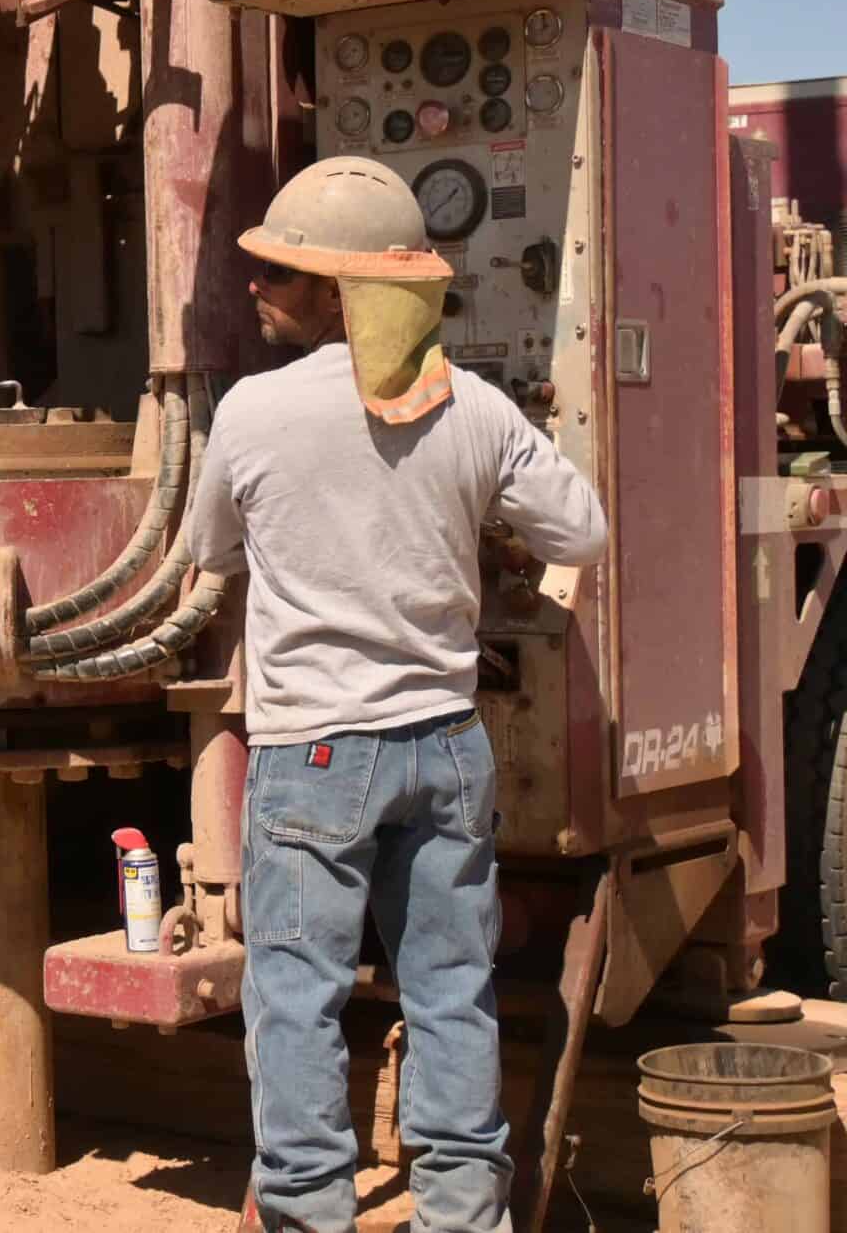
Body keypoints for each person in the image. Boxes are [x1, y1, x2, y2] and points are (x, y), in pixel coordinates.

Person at [187, 157, 608, 1233]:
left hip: (315, 756)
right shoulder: (469, 404)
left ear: (342, 290)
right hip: (445, 746)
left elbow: (208, 550)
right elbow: (582, 532)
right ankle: (465, 1214)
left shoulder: (252, 412)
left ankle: (307, 1214)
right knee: (451, 990)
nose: (255, 285)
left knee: (297, 1000)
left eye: (281, 272)